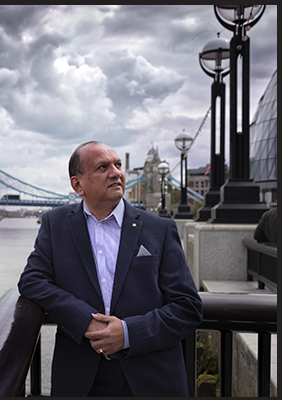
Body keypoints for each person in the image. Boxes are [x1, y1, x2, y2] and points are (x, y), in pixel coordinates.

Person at [18, 141, 202, 396]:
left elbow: (188, 307)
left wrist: (128, 333)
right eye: (102, 167)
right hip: (82, 380)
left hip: (151, 377)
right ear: (77, 185)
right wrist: (83, 320)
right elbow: (32, 281)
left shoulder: (159, 229)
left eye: (117, 164)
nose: (116, 172)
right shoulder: (55, 224)